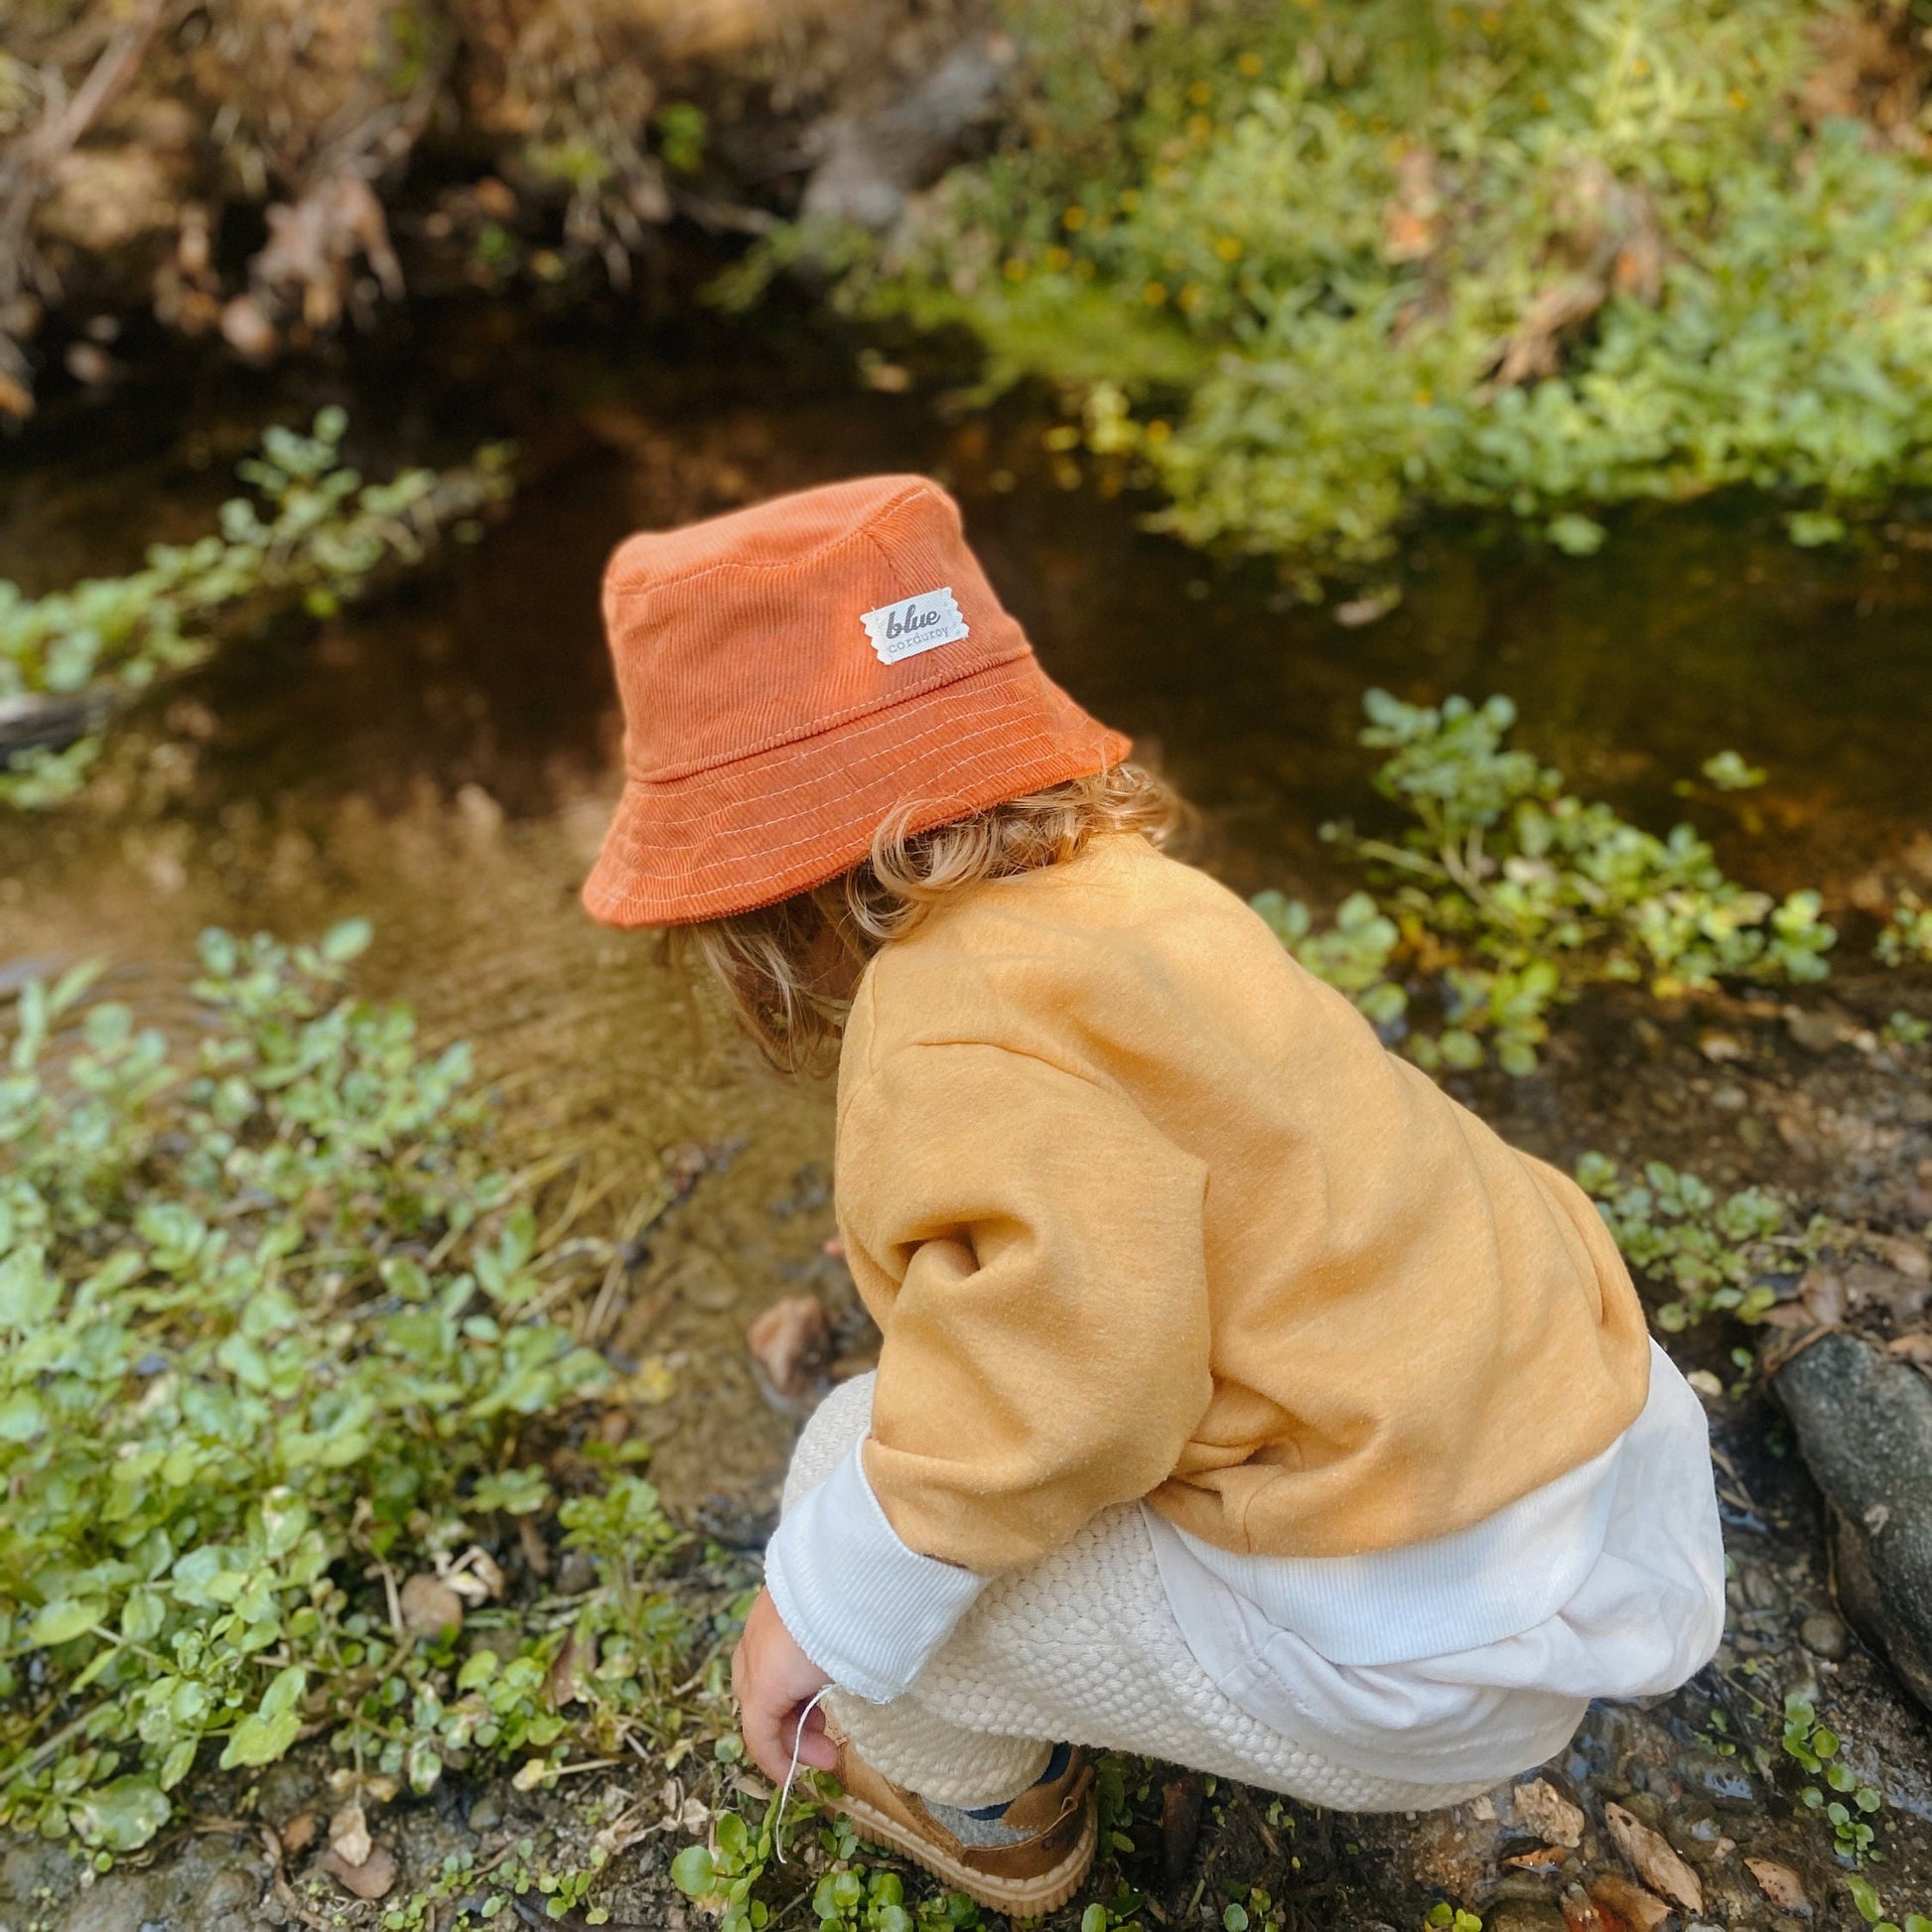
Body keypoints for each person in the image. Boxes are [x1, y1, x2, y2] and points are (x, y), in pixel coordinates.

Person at [580, 475, 1725, 1916]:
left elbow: (1083, 1388)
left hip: (1421, 1653)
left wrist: (806, 1611)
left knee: (844, 1464)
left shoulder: (935, 1029)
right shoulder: (1139, 894)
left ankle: (993, 1809)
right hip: (1581, 1467)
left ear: (745, 913)